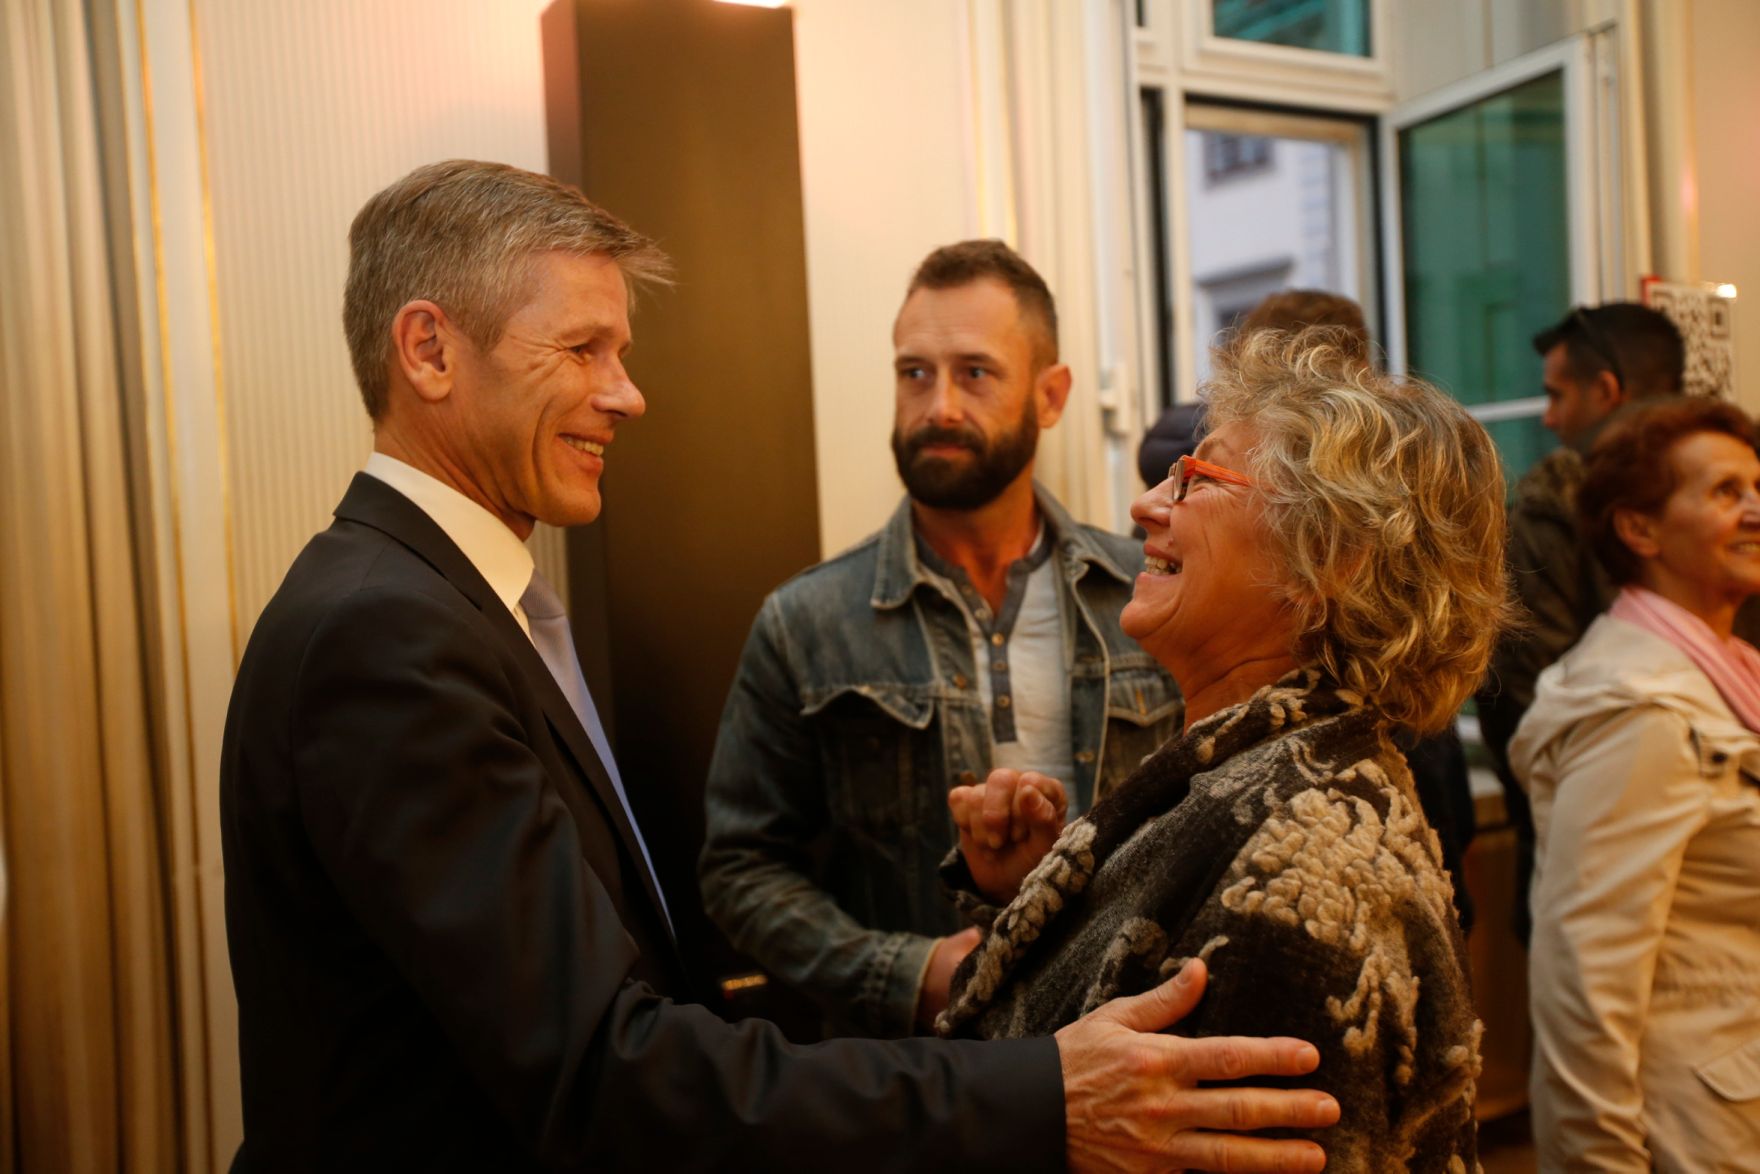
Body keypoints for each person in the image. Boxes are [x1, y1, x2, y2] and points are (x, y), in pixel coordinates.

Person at [220, 160, 1341, 1172]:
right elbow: (603, 1065)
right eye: (581, 348)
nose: (627, 393)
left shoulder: (430, 607)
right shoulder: (389, 635)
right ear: (428, 351)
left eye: (621, 353)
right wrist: (1038, 1095)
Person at [937, 328, 1509, 1170]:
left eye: (1199, 479)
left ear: (1329, 559)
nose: (1146, 505)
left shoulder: (1306, 869)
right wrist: (1026, 895)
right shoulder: (1257, 771)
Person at [700, 240, 1180, 1038]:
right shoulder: (807, 621)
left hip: (1135, 1037)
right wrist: (905, 972)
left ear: (1050, 395)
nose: (939, 407)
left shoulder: (1148, 593)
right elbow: (739, 870)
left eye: (976, 372)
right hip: (922, 1074)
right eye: (915, 373)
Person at [1510, 397, 1760, 1169]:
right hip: (1692, 1131)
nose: (1756, 510)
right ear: (1639, 530)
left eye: (1758, 487)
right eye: (1726, 492)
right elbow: (1583, 984)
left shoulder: (1731, 674)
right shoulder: (1635, 712)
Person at [1474, 303, 1698, 939]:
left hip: (1593, 858)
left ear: (1606, 390)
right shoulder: (1735, 498)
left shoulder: (1557, 509)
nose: (1548, 418)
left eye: (1557, 394)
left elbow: (1524, 701)